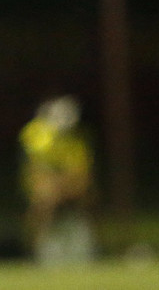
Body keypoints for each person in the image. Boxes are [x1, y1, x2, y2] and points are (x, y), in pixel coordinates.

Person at [19, 94, 96, 265]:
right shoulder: (36, 132)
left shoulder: (75, 138)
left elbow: (80, 170)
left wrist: (70, 184)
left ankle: (89, 246)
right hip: (40, 181)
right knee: (46, 199)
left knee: (89, 195)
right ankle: (35, 248)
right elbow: (38, 167)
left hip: (65, 183)